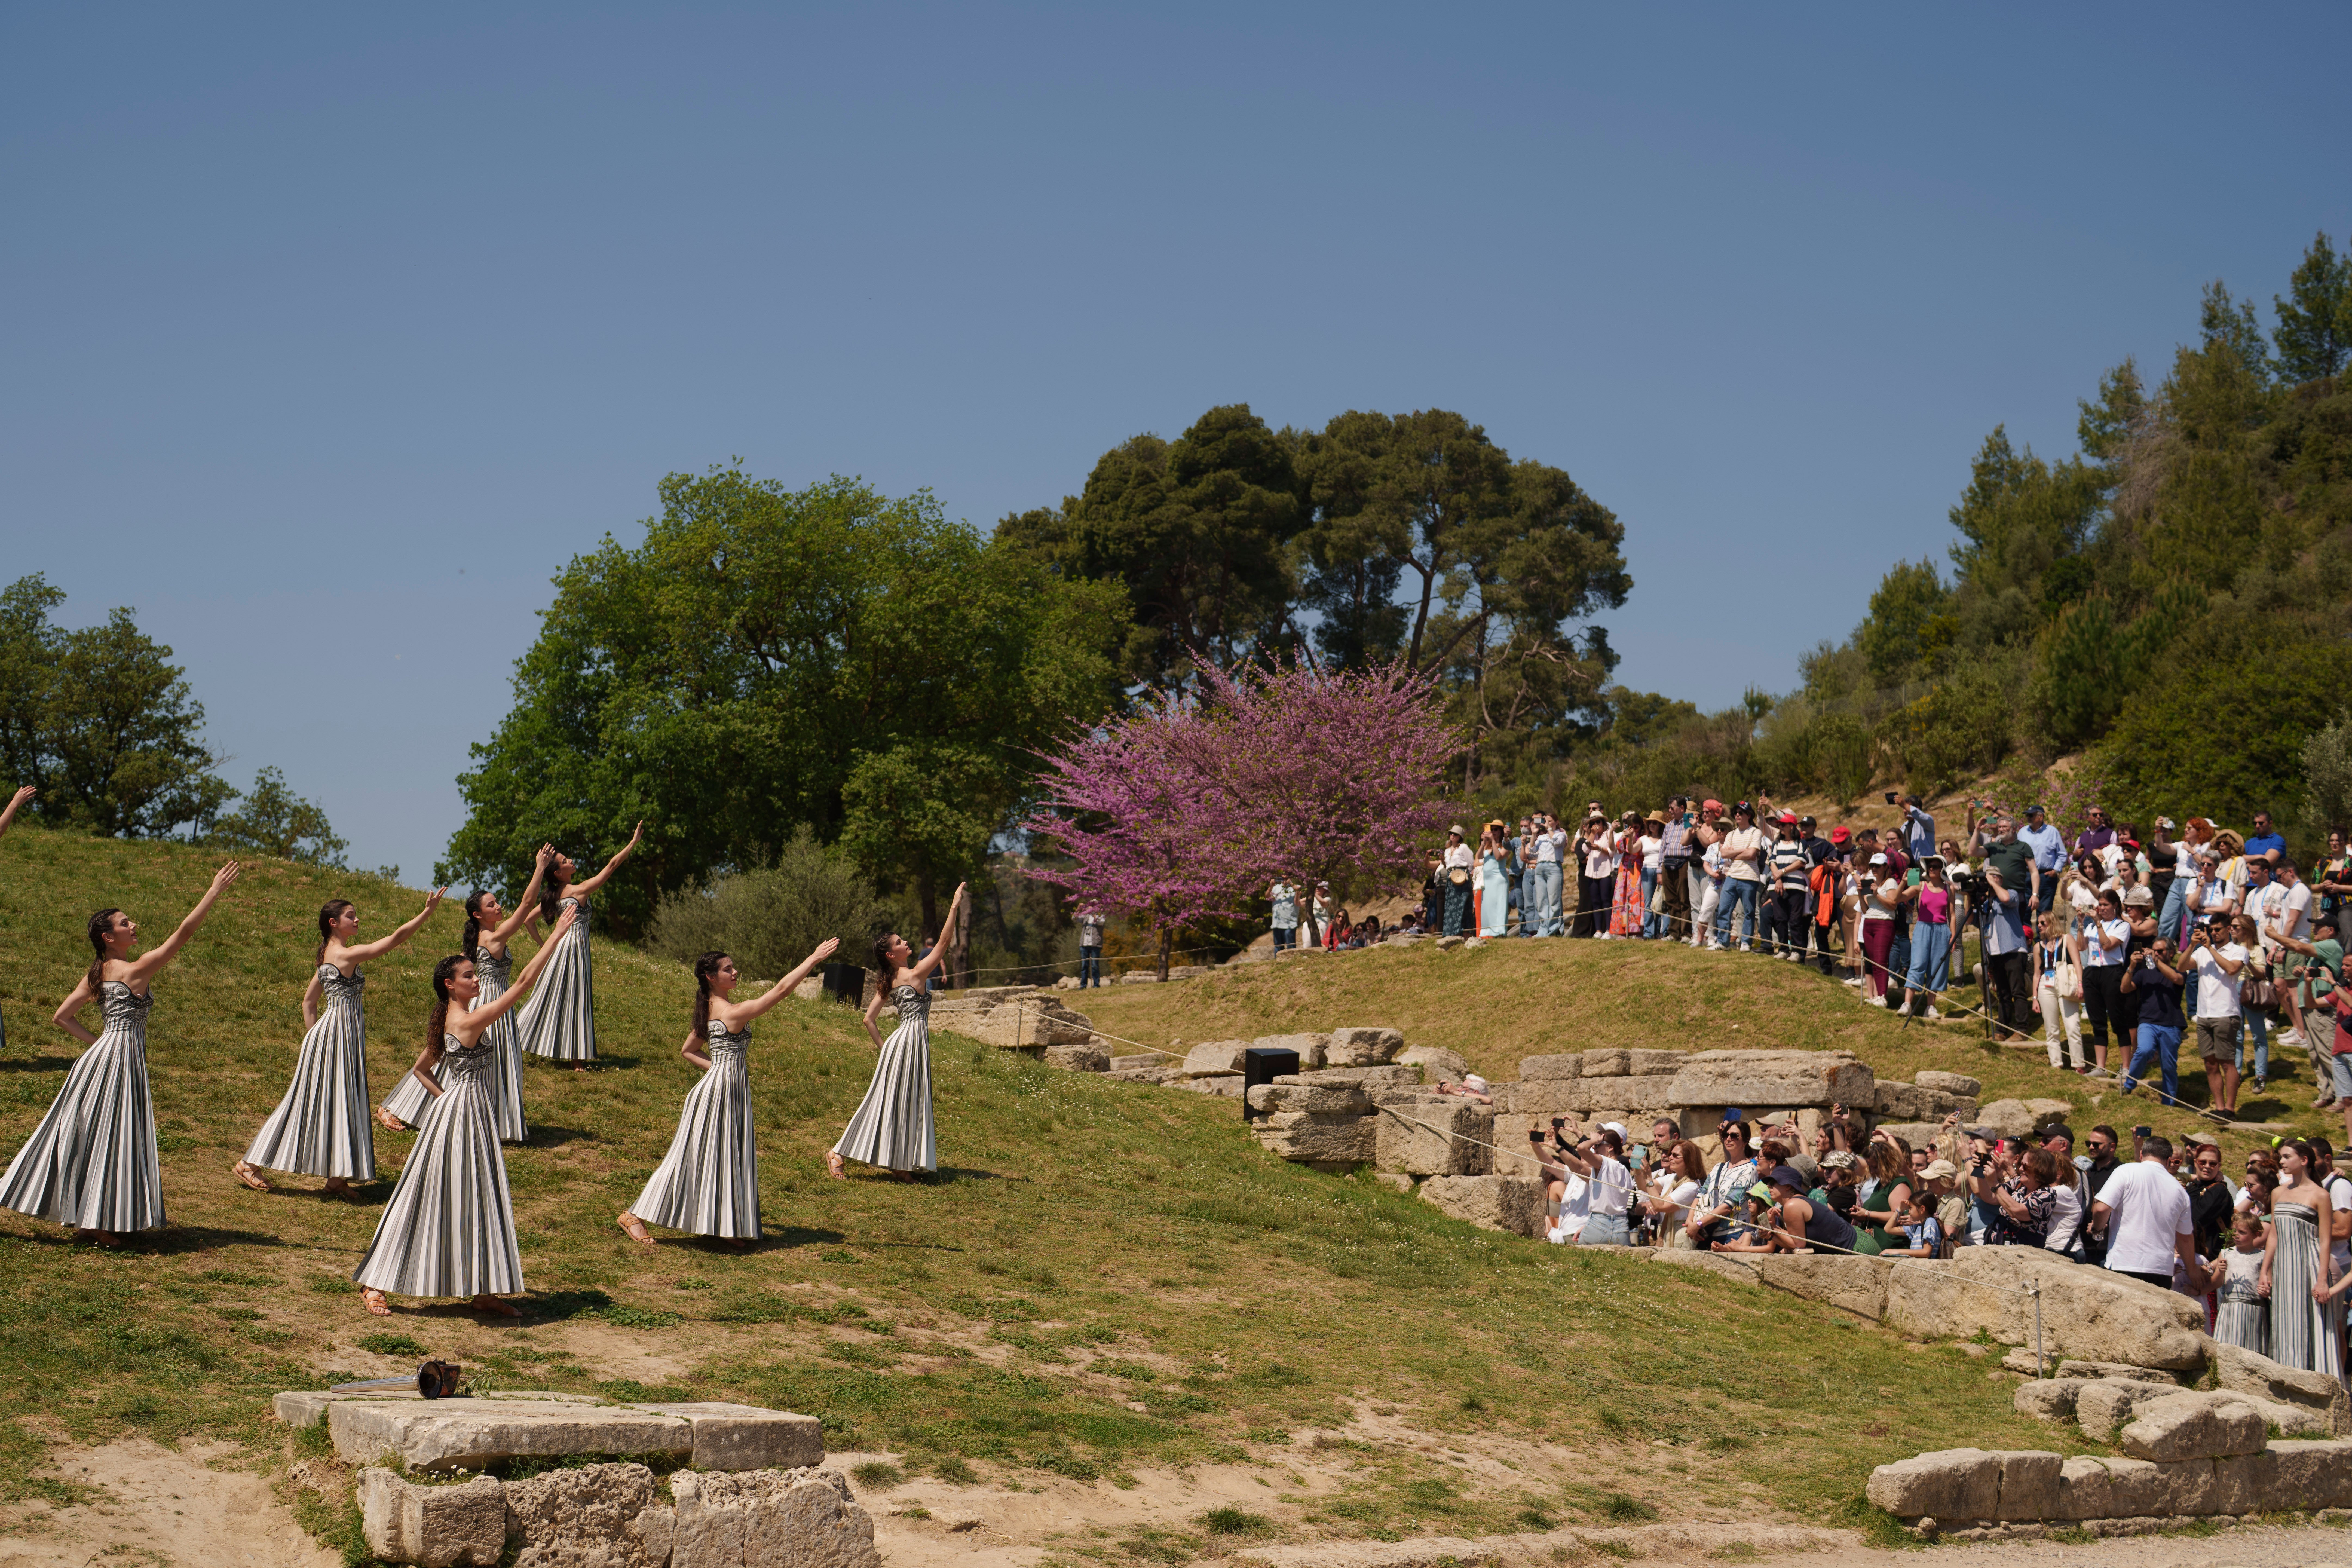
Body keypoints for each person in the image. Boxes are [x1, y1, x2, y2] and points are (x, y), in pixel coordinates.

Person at [352, 904, 577, 1318]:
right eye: (469, 976)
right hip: (462, 1115)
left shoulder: (451, 1020)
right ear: (450, 985)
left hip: (467, 1112)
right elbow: (524, 982)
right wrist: (558, 935)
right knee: (429, 1194)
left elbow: (422, 1070)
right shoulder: (465, 1023)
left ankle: (483, 1291)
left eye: (476, 974)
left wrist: (446, 1098)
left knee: (479, 1194)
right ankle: (376, 1282)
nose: (477, 980)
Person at [0, 861, 241, 1244]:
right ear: (108, 937)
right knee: (110, 1136)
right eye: (126, 923)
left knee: (92, 1135)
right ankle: (94, 1220)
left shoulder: (98, 973)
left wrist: (100, 1044)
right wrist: (213, 892)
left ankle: (91, 1219)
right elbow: (183, 934)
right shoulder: (135, 971)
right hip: (119, 1061)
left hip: (103, 1058)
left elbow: (62, 1017)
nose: (134, 926)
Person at [621, 937, 842, 1248]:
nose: (735, 972)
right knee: (687, 1158)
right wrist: (813, 959)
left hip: (727, 1092)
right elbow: (781, 991)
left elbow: (689, 1050)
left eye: (733, 967)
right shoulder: (732, 1012)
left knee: (725, 1157)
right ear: (711, 977)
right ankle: (633, 1215)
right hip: (719, 1094)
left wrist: (720, 1069)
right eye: (728, 969)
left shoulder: (712, 1009)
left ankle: (722, 1224)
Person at [236, 887, 447, 1195]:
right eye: (351, 916)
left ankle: (336, 1178)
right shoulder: (345, 955)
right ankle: (249, 1163)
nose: (357, 920)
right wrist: (427, 913)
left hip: (336, 1040)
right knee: (303, 1103)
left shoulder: (328, 957)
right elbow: (395, 939)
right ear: (334, 923)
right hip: (335, 1039)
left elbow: (309, 1003)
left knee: (342, 1102)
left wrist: (315, 1039)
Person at [381, 845, 554, 1139]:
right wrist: (540, 868)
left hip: (495, 1004)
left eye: (497, 902)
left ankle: (491, 1122)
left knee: (476, 1062)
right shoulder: (493, 938)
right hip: (488, 1004)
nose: (498, 907)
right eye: (491, 905)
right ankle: (404, 1106)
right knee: (470, 1063)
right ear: (478, 915)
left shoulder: (478, 940)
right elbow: (527, 906)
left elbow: (461, 964)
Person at [831, 881, 969, 1180]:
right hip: (909, 1043)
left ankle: (899, 1163)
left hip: (902, 1045)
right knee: (888, 1102)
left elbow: (868, 1020)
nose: (905, 942)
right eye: (899, 942)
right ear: (891, 955)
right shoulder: (915, 974)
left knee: (902, 1102)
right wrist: (954, 906)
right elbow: (944, 943)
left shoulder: (891, 980)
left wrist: (886, 1050)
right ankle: (838, 1154)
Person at [516, 821, 645, 1069]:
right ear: (558, 874)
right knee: (575, 999)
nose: (571, 861)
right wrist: (633, 843)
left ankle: (516, 1039)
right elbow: (612, 866)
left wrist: (546, 947)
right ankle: (576, 1060)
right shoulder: (580, 891)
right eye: (566, 861)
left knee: (549, 997)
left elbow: (528, 922)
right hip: (575, 951)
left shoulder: (553, 896)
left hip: (559, 950)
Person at [2265, 1138, 2341, 1375]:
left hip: (2309, 1269)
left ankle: (2314, 1379)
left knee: (2309, 1324)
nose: (2281, 1161)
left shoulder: (2321, 1195)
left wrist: (2322, 1280)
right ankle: (2285, 1377)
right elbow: (2274, 1235)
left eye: (2287, 1157)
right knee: (2284, 1323)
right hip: (2283, 1270)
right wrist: (2265, 1271)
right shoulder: (2278, 1193)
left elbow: (2325, 1240)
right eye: (2281, 1156)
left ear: (2304, 1160)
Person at [2089, 1132, 2195, 1290]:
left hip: (2124, 1262)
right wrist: (2193, 1270)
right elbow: (2185, 1237)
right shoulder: (2180, 1191)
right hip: (2162, 1270)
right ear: (2168, 1161)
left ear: (2141, 1155)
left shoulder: (2126, 1171)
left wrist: (2097, 1229)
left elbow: (2101, 1208)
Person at [2186, 916, 2248, 1118]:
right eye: (2211, 930)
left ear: (2229, 929)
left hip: (2226, 1014)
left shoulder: (2238, 951)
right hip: (2204, 1015)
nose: (2214, 933)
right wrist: (2192, 945)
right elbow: (2182, 966)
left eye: (2218, 929)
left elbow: (2231, 969)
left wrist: (2211, 949)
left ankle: (2230, 1109)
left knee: (2227, 1062)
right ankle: (2219, 1109)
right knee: (2210, 1064)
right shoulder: (2202, 951)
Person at [2118, 937, 2186, 1107]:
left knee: (2169, 1066)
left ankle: (2169, 1104)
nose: (2156, 953)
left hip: (2171, 1025)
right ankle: (2129, 1085)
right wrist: (2132, 966)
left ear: (2171, 953)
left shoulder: (2179, 970)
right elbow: (2124, 989)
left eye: (2160, 951)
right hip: (2148, 1022)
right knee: (2144, 1049)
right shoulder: (2144, 973)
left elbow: (2177, 979)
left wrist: (2156, 962)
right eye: (2154, 951)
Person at [2069, 891, 2130, 1077]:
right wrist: (2081, 924)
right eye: (2100, 905)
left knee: (2118, 1020)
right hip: (2093, 972)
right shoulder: (2092, 927)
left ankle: (2127, 1067)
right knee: (2098, 1022)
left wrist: (2098, 923)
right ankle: (2100, 1067)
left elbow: (2108, 945)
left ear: (2115, 906)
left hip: (2113, 972)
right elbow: (2081, 947)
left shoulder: (2122, 925)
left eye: (2105, 905)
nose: (2102, 909)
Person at [1685, 1118, 1759, 1248]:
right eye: (1726, 1135)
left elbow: (1728, 1206)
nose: (1728, 1139)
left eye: (1734, 1136)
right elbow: (1700, 1195)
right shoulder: (1718, 1168)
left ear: (1746, 1141)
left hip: (1733, 1235)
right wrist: (1690, 1223)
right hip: (1709, 1232)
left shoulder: (1749, 1170)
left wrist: (1698, 1224)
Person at [1896, 855, 1953, 1019]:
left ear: (1942, 868)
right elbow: (1899, 898)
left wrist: (1954, 936)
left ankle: (1931, 1007)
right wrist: (1903, 882)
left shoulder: (1949, 888)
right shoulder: (1920, 886)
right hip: (1923, 928)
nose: (1931, 869)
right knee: (1918, 964)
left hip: (1942, 930)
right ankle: (1907, 1004)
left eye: (1935, 866)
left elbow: (1952, 915)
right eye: (1929, 866)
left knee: (1937, 968)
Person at [2211, 1210, 2269, 1356]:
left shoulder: (2263, 1257)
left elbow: (2269, 1282)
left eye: (2242, 1232)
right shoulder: (2226, 1253)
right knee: (2226, 1349)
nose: (2236, 1235)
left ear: (2256, 1234)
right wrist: (2221, 1270)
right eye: (2234, 1231)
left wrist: (2267, 1291)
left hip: (2253, 1310)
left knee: (2251, 1352)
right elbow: (2216, 1283)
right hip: (2230, 1308)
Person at [1714, 804, 1764, 952]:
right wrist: (1744, 850)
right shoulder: (1731, 834)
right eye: (1736, 812)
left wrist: (1734, 854)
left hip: (1749, 876)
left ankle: (1746, 942)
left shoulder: (1756, 832)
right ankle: (1723, 942)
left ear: (1749, 815)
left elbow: (1752, 854)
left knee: (1748, 911)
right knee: (1724, 909)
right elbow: (1724, 854)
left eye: (1741, 812)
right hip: (1732, 875)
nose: (1737, 815)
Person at [1478, 823, 1513, 939]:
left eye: (1496, 830)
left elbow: (1499, 857)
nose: (1493, 831)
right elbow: (1479, 857)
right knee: (1488, 906)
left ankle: (1500, 932)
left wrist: (1493, 841)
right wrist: (1484, 842)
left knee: (1499, 906)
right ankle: (1489, 932)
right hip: (1488, 881)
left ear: (1501, 831)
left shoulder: (1506, 844)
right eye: (1491, 829)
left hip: (1499, 880)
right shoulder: (1487, 845)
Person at [1440, 827, 1473, 936]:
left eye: (1456, 834)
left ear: (1460, 837)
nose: (1453, 835)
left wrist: (1467, 874)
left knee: (1462, 904)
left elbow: (1471, 862)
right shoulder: (1447, 850)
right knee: (1451, 905)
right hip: (1451, 878)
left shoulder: (1463, 847)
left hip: (1462, 877)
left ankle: (1462, 932)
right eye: (1452, 833)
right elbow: (1448, 866)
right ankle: (1450, 932)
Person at [1075, 904, 1107, 986]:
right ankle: (1083, 985)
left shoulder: (1101, 916)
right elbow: (1075, 918)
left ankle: (1096, 985)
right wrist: (1079, 909)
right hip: (1084, 945)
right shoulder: (1086, 916)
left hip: (1095, 945)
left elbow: (1100, 922)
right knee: (1084, 966)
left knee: (1095, 966)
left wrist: (1094, 913)